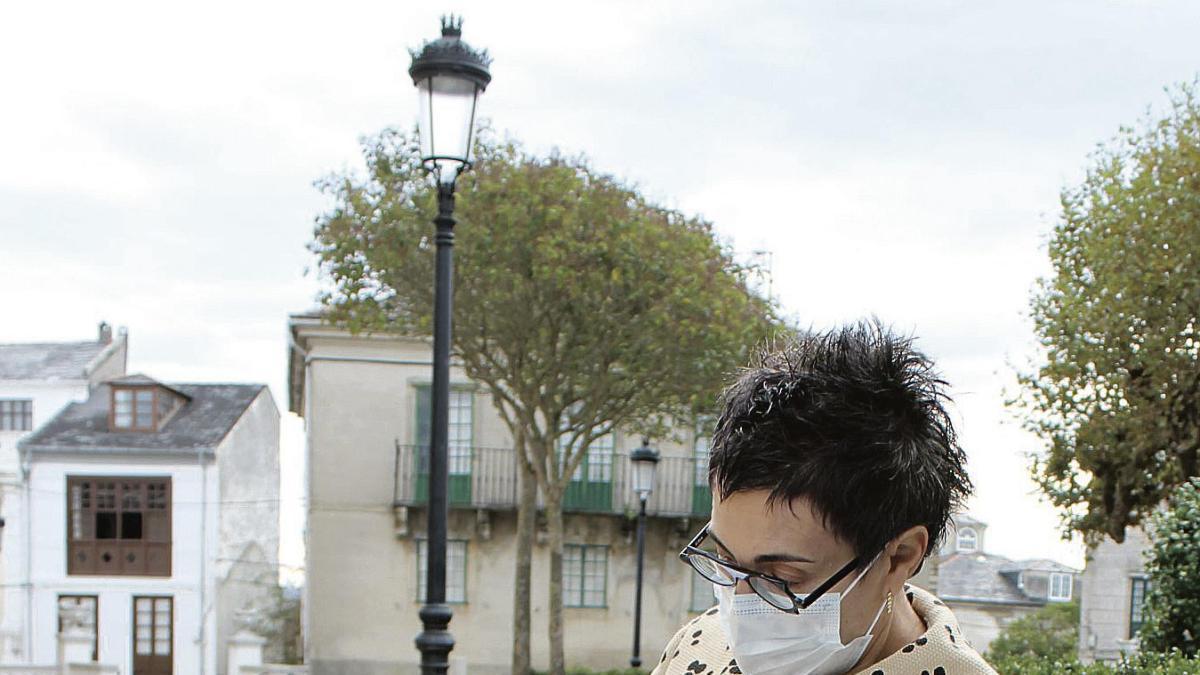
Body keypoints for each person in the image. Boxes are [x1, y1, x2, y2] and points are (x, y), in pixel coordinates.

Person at [652, 321, 997, 675]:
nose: (741, 608)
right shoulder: (698, 647)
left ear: (899, 558)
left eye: (782, 578)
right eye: (725, 561)